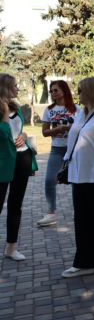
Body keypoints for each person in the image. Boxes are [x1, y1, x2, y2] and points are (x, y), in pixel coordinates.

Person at [60, 78, 94, 278]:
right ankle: (85, 263)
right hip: (80, 176)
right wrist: (63, 166)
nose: (78, 94)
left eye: (81, 90)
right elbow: (73, 144)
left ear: (91, 92)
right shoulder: (82, 114)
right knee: (83, 222)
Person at [0, 73, 37, 261]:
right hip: (3, 162)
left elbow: (17, 129)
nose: (17, 88)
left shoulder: (15, 106)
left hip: (22, 158)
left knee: (16, 205)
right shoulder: (3, 109)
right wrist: (4, 112)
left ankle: (11, 248)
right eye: (14, 85)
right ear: (5, 87)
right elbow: (3, 133)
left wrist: (24, 134)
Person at [38, 80, 81, 227]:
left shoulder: (76, 108)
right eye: (51, 91)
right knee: (49, 180)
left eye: (56, 90)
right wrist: (59, 129)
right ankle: (51, 213)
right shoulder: (49, 109)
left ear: (65, 90)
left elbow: (83, 127)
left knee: (76, 180)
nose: (53, 93)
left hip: (74, 148)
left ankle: (77, 209)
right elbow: (44, 132)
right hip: (57, 149)